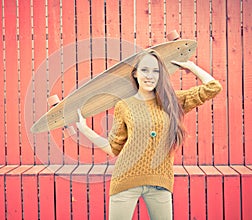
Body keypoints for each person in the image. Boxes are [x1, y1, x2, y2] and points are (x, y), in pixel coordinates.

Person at [76, 50, 222, 220]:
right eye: (145, 70)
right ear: (135, 73)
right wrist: (86, 130)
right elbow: (114, 149)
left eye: (156, 71)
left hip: (160, 183)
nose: (150, 76)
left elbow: (213, 88)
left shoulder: (172, 101)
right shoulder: (124, 106)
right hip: (126, 181)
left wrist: (190, 66)